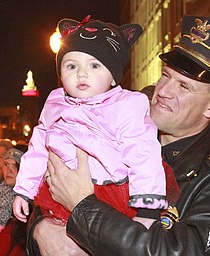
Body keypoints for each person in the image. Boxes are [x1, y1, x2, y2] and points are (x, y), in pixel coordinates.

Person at [33, 15, 210, 255]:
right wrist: (39, 228)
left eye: (184, 86)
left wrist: (82, 207)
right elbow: (48, 185)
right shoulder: (114, 138)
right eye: (166, 76)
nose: (164, 91)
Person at [13, 15, 182, 239]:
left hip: (111, 192)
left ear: (113, 77)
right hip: (58, 190)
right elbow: (37, 149)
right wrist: (24, 190)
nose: (82, 74)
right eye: (71, 66)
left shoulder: (126, 105)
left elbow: (143, 154)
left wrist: (147, 207)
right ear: (61, 74)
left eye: (94, 65)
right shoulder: (55, 102)